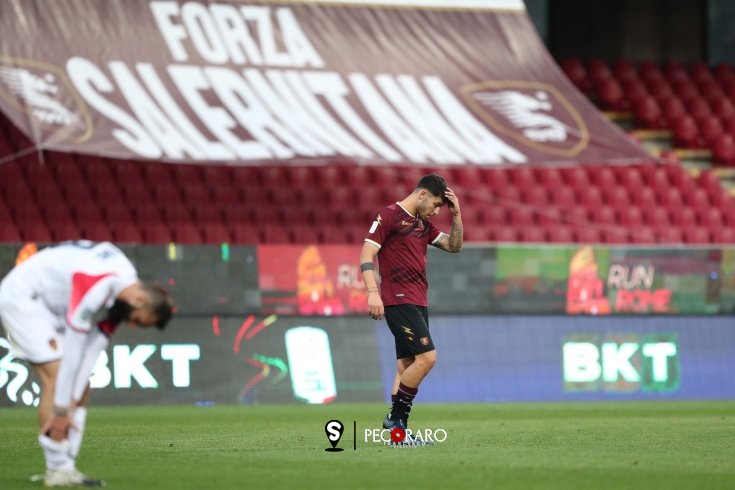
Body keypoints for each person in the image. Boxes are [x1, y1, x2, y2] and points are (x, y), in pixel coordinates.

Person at [0, 240, 174, 487]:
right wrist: (62, 411)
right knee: (58, 377)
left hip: (51, 304)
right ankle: (56, 470)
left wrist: (73, 397)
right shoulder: (97, 284)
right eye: (138, 320)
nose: (133, 324)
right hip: (24, 298)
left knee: (81, 387)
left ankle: (66, 468)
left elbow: (94, 348)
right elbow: (73, 348)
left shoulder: (123, 286)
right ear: (139, 300)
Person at [359, 173, 462, 444]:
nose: (437, 210)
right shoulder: (389, 216)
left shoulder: (423, 225)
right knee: (427, 358)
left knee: (406, 364)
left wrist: (457, 215)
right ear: (422, 195)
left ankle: (398, 435)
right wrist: (373, 293)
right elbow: (366, 255)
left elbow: (454, 246)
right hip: (398, 299)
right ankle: (395, 419)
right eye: (437, 204)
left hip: (418, 300)